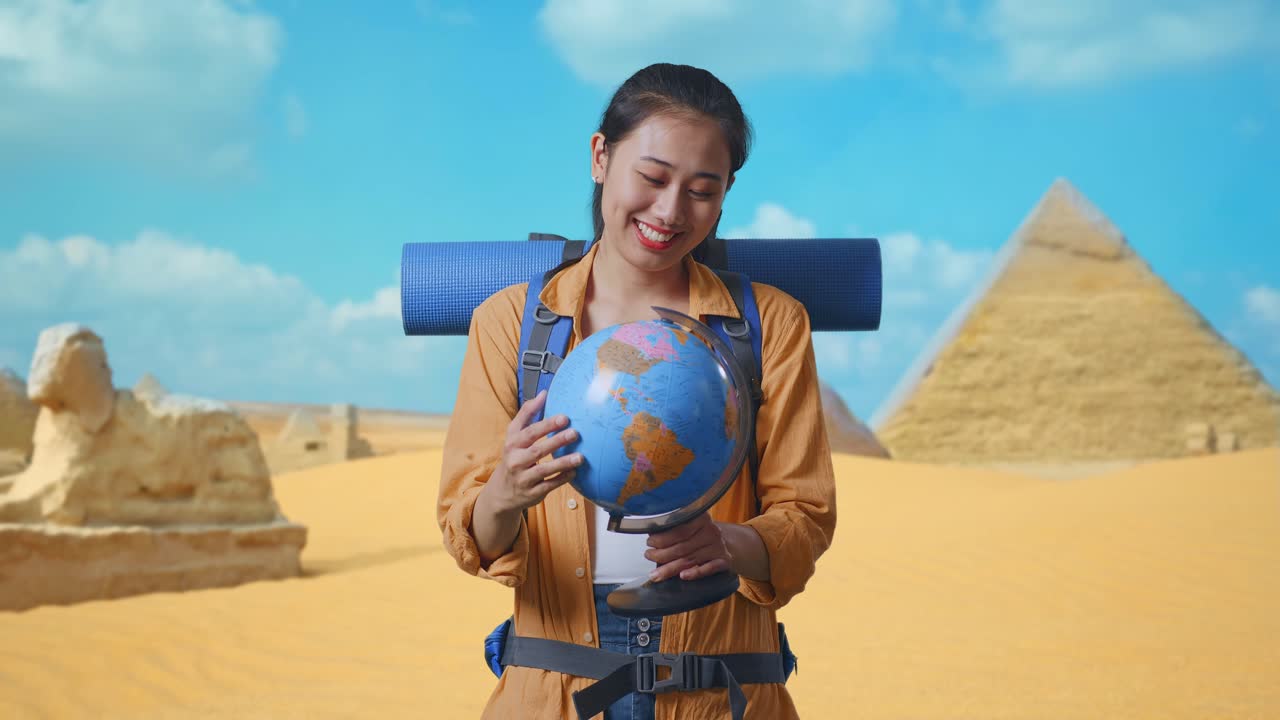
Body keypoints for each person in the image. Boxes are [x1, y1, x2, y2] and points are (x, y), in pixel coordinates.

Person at [439, 62, 837, 720]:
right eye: (651, 178)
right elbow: (473, 538)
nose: (669, 211)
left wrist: (731, 544)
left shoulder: (772, 326)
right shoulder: (510, 322)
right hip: (551, 694)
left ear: (727, 191)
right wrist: (505, 493)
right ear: (601, 156)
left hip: (724, 694)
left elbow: (806, 517)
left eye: (702, 191)